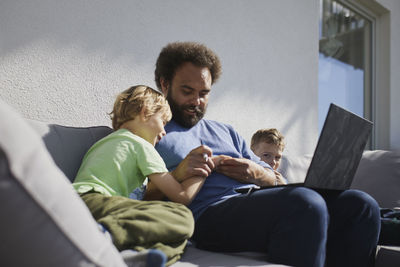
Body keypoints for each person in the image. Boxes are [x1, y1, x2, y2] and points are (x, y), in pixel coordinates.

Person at [150, 41, 381, 267]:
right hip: (207, 215)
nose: (197, 101)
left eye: (204, 93)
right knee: (304, 203)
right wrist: (178, 174)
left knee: (361, 205)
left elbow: (274, 177)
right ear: (165, 84)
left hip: (253, 199)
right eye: (187, 91)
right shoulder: (151, 131)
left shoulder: (225, 131)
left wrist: (258, 174)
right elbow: (132, 193)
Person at [73, 85, 209, 266]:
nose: (164, 132)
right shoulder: (140, 145)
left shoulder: (107, 143)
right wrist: (206, 169)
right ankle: (106, 235)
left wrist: (176, 174)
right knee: (183, 217)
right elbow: (181, 196)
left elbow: (142, 197)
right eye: (163, 122)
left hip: (79, 203)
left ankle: (136, 257)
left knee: (179, 239)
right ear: (145, 113)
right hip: (96, 203)